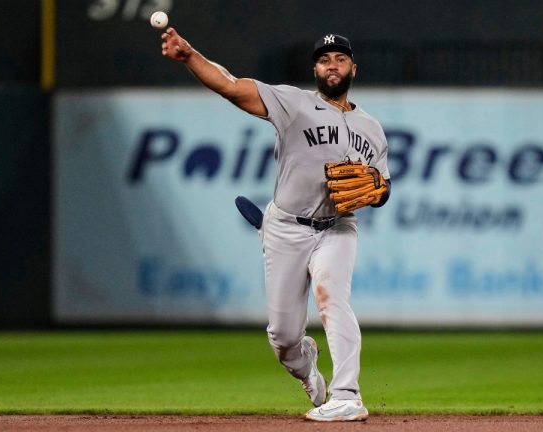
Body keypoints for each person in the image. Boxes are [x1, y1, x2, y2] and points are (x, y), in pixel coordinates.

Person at [159, 29, 391, 422]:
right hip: (285, 228)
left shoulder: (373, 128)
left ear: (354, 68)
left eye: (339, 59)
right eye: (323, 59)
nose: (331, 65)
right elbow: (232, 87)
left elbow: (381, 189)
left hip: (337, 227)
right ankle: (308, 370)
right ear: (314, 69)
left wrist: (378, 189)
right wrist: (189, 56)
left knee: (332, 296)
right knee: (283, 338)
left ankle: (347, 394)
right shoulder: (293, 104)